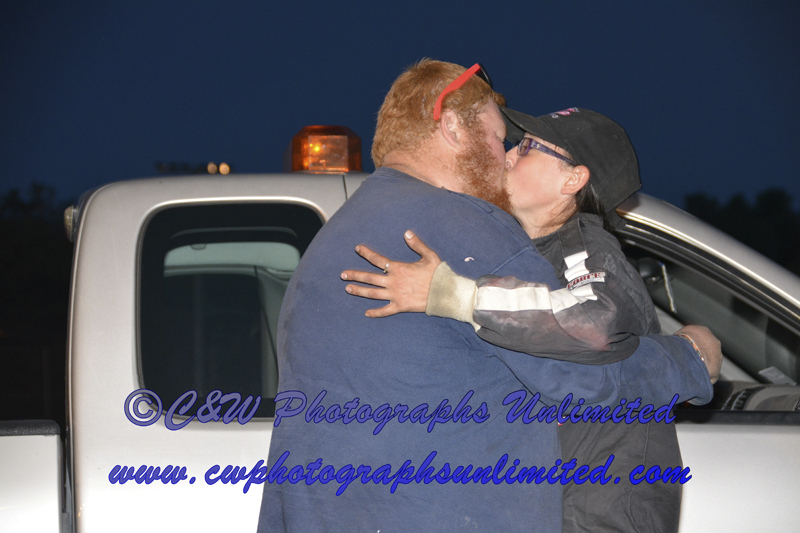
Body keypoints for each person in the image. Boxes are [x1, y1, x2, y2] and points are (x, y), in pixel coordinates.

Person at [256, 60, 718, 532]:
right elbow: (584, 377)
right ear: (453, 127)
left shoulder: (336, 234)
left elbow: (586, 329)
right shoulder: (468, 230)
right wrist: (690, 358)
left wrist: (454, 294)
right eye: (500, 139)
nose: (505, 156)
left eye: (521, 146)